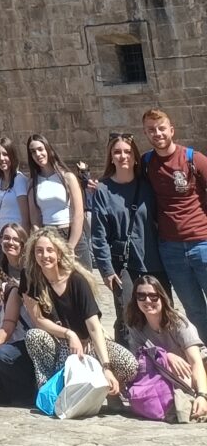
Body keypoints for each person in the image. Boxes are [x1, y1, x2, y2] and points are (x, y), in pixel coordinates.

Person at [18, 230, 135, 399]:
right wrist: (69, 334)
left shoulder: (77, 280)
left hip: (87, 343)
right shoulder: (29, 278)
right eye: (39, 251)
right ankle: (48, 392)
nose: (45, 255)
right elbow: (39, 320)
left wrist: (106, 367)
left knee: (130, 364)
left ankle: (108, 391)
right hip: (58, 342)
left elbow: (93, 326)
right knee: (34, 336)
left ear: (59, 253)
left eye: (50, 250)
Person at [140, 109, 207, 339]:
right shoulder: (146, 163)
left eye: (161, 128)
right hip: (171, 250)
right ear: (146, 133)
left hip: (202, 243)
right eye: (151, 130)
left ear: (171, 130)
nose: (157, 133)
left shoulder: (193, 158)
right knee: (194, 310)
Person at [90, 131, 161, 335]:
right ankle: (128, 355)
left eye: (128, 152)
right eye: (117, 152)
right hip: (123, 266)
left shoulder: (147, 187)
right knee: (128, 319)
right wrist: (106, 270)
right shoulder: (103, 190)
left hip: (153, 261)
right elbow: (99, 235)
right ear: (111, 157)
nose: (123, 156)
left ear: (135, 156)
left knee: (160, 314)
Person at [124, 276, 207, 423]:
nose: (147, 301)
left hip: (195, 369)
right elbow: (140, 361)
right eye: (141, 296)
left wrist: (202, 395)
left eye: (153, 296)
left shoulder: (178, 323)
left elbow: (196, 362)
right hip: (163, 373)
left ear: (162, 298)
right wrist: (165, 355)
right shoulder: (135, 326)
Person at [26, 135, 87, 259]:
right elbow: (35, 218)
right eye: (33, 151)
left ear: (48, 149)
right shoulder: (33, 183)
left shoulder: (68, 177)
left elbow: (78, 214)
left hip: (71, 233)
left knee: (81, 272)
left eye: (40, 149)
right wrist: (39, 240)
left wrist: (70, 246)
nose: (38, 154)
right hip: (49, 236)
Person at [0, 137, 30, 233]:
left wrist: (24, 239)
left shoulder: (19, 180)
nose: (1, 158)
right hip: (0, 235)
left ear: (12, 155)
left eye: (5, 154)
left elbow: (26, 218)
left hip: (16, 235)